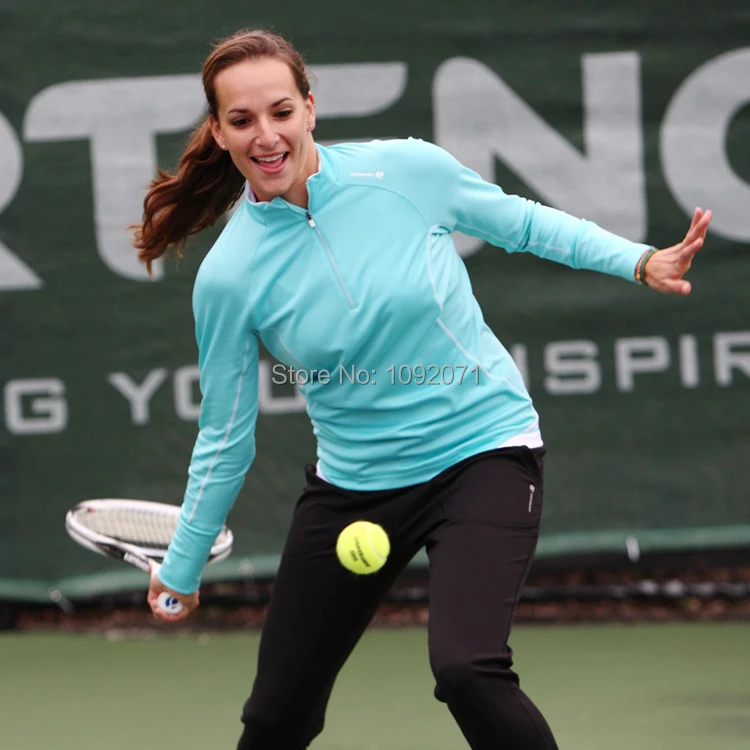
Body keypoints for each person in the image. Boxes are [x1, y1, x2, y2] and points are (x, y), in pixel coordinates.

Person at [132, 28, 711, 750]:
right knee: (275, 718)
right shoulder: (228, 277)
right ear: (218, 133)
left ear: (310, 107)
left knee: (468, 669)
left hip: (483, 454)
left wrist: (640, 261)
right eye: (242, 120)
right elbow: (224, 435)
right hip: (354, 486)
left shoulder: (406, 172)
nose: (266, 136)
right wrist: (182, 566)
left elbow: (525, 224)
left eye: (280, 112)